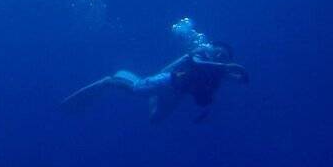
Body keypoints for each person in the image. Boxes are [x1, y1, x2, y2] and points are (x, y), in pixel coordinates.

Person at [62, 20, 249, 123]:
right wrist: (224, 67)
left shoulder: (220, 71)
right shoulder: (201, 53)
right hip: (168, 81)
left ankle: (150, 92)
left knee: (155, 120)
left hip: (177, 94)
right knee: (136, 90)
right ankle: (110, 80)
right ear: (212, 49)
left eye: (224, 57)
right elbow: (194, 61)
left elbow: (241, 79)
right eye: (219, 53)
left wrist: (238, 73)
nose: (220, 57)